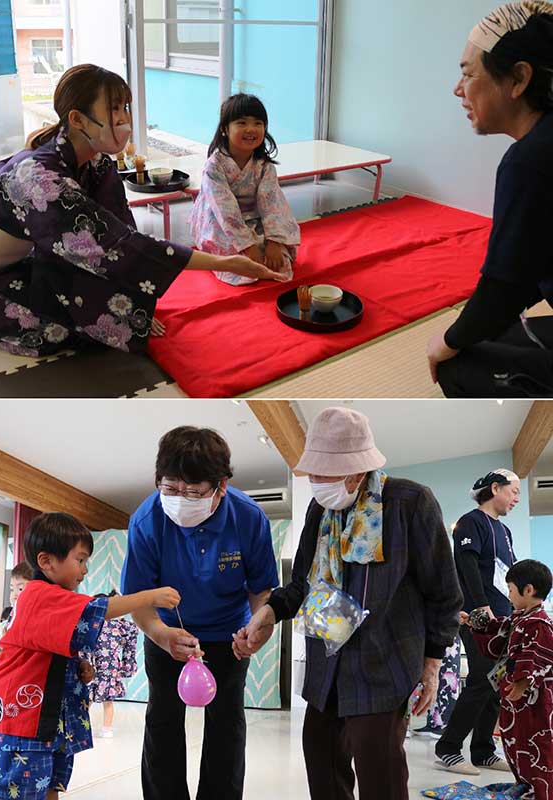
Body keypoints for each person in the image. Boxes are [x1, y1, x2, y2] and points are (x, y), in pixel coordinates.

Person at [0, 64, 286, 358]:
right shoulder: (40, 180)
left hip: (36, 255)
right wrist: (223, 262)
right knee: (54, 332)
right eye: (114, 109)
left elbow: (122, 229)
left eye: (125, 106)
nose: (124, 118)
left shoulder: (98, 164)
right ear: (77, 119)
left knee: (113, 304)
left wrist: (133, 307)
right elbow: (115, 247)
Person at [233, 406, 462, 800]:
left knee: (381, 775)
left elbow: (443, 592)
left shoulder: (409, 503)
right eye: (315, 473)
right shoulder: (320, 510)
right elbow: (302, 583)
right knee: (321, 765)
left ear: (358, 470)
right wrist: (268, 612)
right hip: (327, 666)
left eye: (327, 473)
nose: (318, 482)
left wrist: (432, 663)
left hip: (383, 666)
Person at [121, 425, 279, 800]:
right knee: (162, 721)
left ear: (221, 486)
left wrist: (259, 624)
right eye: (170, 488)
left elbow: (260, 589)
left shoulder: (248, 517)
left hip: (229, 636)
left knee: (227, 724)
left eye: (193, 492)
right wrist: (160, 635)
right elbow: (139, 599)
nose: (180, 498)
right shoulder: (146, 520)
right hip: (167, 633)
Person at [0, 511, 180, 800]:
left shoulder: (51, 597)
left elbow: (53, 645)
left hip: (47, 721)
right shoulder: (38, 594)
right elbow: (95, 609)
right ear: (46, 561)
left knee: (50, 786)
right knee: (16, 793)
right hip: (25, 720)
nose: (85, 570)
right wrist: (150, 597)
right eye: (80, 559)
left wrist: (80, 666)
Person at [426, 3, 553, 396]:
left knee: (457, 364)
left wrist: (445, 342)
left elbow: (506, 283)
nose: (458, 89)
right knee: (494, 330)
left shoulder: (530, 160)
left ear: (518, 79)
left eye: (467, 74)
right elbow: (530, 268)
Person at [435, 469, 520, 774]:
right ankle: (447, 747)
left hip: (503, 617)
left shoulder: (505, 532)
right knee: (482, 679)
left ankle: (483, 750)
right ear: (494, 488)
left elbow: (505, 577)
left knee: (496, 683)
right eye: (514, 491)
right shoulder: (471, 522)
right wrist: (482, 609)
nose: (517, 499)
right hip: (478, 616)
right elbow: (467, 566)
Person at [189, 93, 300, 285]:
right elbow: (225, 210)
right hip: (216, 219)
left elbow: (273, 203)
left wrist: (274, 241)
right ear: (225, 128)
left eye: (258, 123)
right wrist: (248, 245)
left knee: (280, 257)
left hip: (253, 217)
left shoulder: (264, 166)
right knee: (235, 260)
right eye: (241, 123)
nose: (251, 129)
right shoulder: (214, 166)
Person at [465, 558, 553, 797]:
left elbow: (537, 657)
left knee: (535, 744)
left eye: (511, 590)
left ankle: (541, 789)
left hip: (533, 700)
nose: (509, 595)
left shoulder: (540, 623)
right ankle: (525, 783)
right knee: (516, 740)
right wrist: (474, 622)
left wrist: (522, 682)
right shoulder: (520, 618)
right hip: (516, 699)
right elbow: (499, 629)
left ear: (528, 590)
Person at [88, 590, 140, 738]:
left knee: (104, 700)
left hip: (107, 668)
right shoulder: (95, 625)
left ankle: (107, 728)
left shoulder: (117, 625)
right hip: (94, 667)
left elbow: (132, 634)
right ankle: (99, 727)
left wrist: (127, 664)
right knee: (93, 699)